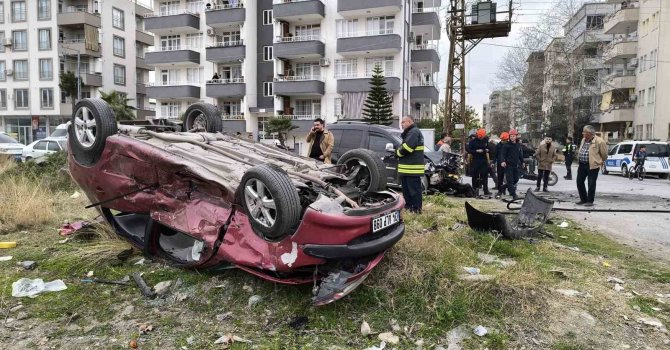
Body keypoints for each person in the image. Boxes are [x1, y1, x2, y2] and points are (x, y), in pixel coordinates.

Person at [396, 116, 425, 213]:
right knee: (407, 191)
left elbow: (408, 147)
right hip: (407, 168)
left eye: (403, 122)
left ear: (410, 122)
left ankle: (416, 209)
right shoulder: (410, 132)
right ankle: (409, 207)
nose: (402, 124)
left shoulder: (414, 131)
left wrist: (397, 153)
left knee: (414, 191)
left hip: (413, 168)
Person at [576, 125, 608, 206]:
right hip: (582, 164)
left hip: (593, 166)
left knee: (591, 183)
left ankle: (590, 201)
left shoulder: (600, 141)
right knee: (579, 182)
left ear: (589, 133)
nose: (583, 134)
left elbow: (604, 155)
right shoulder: (583, 140)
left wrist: (599, 162)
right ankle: (583, 199)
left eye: (584, 132)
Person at [500, 129, 524, 200]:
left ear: (516, 136)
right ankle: (514, 195)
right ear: (509, 137)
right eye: (511, 136)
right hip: (508, 165)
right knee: (510, 181)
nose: (512, 137)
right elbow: (502, 154)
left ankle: (504, 187)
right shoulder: (506, 145)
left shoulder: (518, 145)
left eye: (513, 136)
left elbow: (520, 155)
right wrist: (503, 161)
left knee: (516, 179)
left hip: (515, 165)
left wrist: (522, 162)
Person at [468, 128, 491, 197]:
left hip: (484, 161)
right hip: (475, 160)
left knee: (485, 176)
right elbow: (469, 150)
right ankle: (474, 190)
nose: (481, 137)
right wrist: (476, 151)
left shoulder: (485, 140)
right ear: (477, 135)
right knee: (475, 176)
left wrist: (486, 150)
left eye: (482, 136)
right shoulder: (473, 142)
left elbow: (488, 148)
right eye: (480, 136)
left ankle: (486, 190)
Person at [495, 132, 509, 197]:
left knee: (508, 178)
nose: (503, 141)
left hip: (507, 164)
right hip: (499, 164)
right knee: (500, 178)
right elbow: (496, 154)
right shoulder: (498, 145)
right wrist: (493, 162)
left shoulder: (509, 145)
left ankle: (505, 188)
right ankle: (500, 190)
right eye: (502, 140)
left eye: (504, 140)